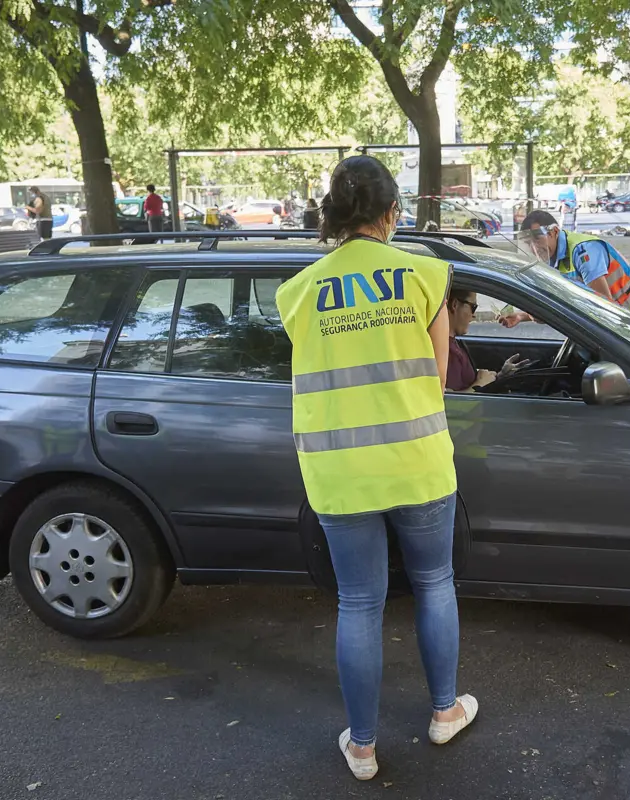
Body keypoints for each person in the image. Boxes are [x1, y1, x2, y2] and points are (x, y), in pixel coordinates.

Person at [274, 155, 477, 782]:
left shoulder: (298, 292)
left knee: (360, 602)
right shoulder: (423, 276)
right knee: (435, 581)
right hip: (416, 462)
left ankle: (361, 747)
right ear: (393, 213)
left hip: (340, 472)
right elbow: (441, 375)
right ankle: (445, 713)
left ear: (334, 215)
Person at [502, 209, 630, 327]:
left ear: (554, 232)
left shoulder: (584, 251)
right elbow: (560, 302)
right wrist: (522, 316)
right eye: (528, 243)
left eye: (537, 239)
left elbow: (603, 306)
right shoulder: (553, 258)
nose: (534, 248)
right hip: (613, 316)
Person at [446, 288, 527, 391]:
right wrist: (480, 383)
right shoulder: (447, 352)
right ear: (455, 305)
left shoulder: (452, 343)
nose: (474, 315)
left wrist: (500, 376)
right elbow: (452, 403)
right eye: (473, 307)